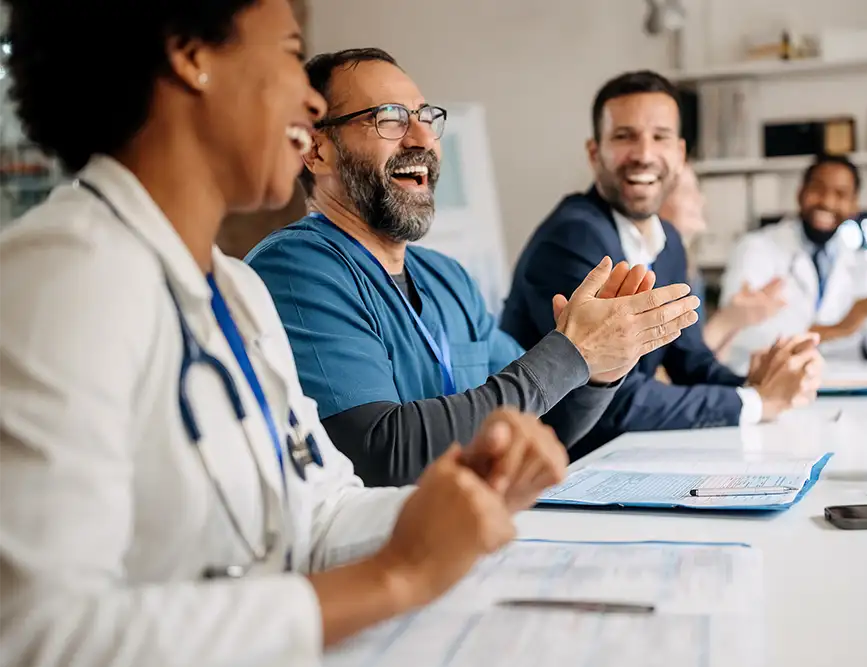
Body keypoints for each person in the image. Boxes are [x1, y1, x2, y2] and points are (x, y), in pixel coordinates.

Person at [0, 2, 570, 664]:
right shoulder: (65, 277)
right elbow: (35, 635)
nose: (307, 97)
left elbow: (319, 515)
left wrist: (464, 493)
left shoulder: (235, 291)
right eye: (288, 52)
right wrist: (395, 575)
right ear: (190, 54)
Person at [245, 49, 701, 486]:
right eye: (390, 120)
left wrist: (600, 368)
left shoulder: (448, 279)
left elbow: (545, 426)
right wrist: (570, 353)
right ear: (316, 150)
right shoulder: (297, 269)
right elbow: (380, 454)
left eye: (425, 118)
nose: (423, 139)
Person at [502, 70, 822, 459]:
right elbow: (614, 395)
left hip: (621, 453)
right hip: (556, 466)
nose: (644, 154)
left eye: (660, 137)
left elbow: (690, 359)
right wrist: (754, 403)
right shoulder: (574, 237)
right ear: (594, 152)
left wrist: (756, 382)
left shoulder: (666, 242)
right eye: (624, 136)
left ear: (680, 154)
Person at [719, 154, 867, 373]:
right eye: (818, 189)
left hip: (847, 393)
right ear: (800, 193)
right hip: (769, 386)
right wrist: (840, 328)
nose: (827, 202)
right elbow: (737, 332)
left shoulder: (863, 266)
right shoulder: (755, 249)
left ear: (854, 205)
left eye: (840, 194)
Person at [659, 162, 786, 362]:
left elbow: (706, 364)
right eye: (685, 191)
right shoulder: (651, 274)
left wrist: (740, 319)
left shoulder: (690, 272)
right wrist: (727, 320)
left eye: (697, 190)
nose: (700, 200)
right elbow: (666, 375)